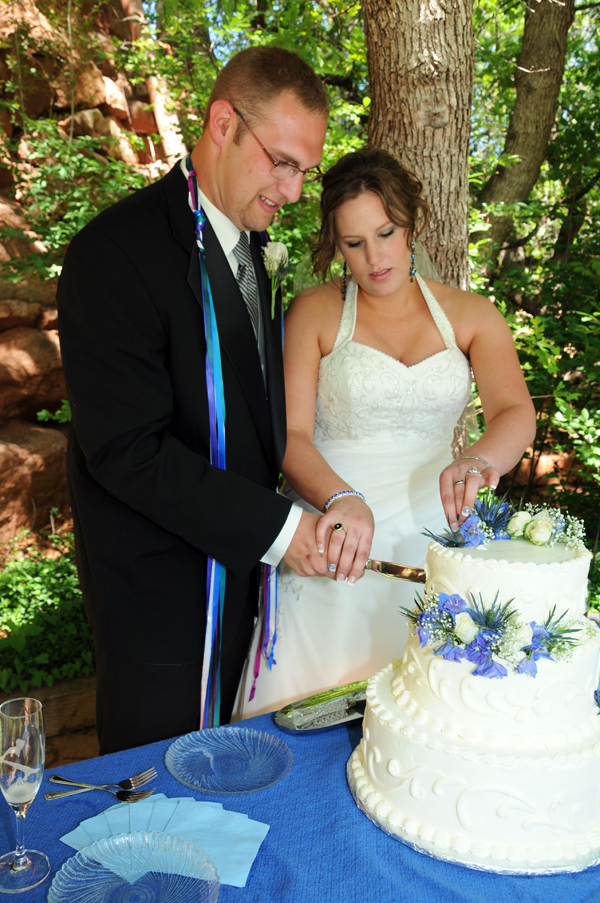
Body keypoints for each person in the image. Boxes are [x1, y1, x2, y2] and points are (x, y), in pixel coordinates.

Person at [57, 47, 341, 754]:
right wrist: (281, 532)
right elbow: (126, 450)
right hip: (162, 608)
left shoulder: (255, 252)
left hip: (244, 588)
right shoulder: (114, 255)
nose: (295, 190)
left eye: (306, 170)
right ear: (223, 123)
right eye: (282, 161)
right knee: (157, 819)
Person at [234, 147, 536, 718]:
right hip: (341, 533)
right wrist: (342, 499)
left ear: (411, 223)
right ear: (335, 244)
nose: (373, 258)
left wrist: (477, 461)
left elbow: (515, 411)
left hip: (434, 535)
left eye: (386, 232)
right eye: (353, 243)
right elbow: (291, 436)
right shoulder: (316, 313)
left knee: (423, 723)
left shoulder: (472, 315)